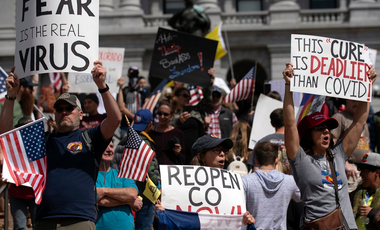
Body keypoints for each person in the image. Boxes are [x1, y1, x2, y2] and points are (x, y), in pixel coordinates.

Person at [0, 60, 121, 230]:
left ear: (80, 115)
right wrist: (11, 95)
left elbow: (115, 119)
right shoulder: (43, 140)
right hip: (44, 221)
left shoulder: (90, 137)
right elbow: (6, 134)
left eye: (69, 108)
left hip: (79, 221)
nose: (64, 111)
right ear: (54, 114)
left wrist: (101, 85)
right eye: (59, 109)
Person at [282, 62, 377, 229]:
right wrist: (289, 85)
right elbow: (290, 124)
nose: (326, 131)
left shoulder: (337, 155)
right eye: (320, 128)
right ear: (308, 135)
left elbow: (359, 122)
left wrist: (366, 85)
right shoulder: (300, 160)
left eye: (328, 128)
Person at [156, 134, 255, 227]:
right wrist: (163, 214)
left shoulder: (232, 185)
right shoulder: (180, 184)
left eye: (224, 151)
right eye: (216, 150)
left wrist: (245, 220)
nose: (222, 154)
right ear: (201, 156)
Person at [242, 141, 301, 230]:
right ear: (277, 160)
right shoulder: (289, 181)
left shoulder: (245, 181)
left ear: (256, 161)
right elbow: (303, 198)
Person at [96, 142, 142, 230]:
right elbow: (101, 201)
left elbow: (132, 194)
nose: (109, 150)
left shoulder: (122, 174)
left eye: (111, 146)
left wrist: (104, 191)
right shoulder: (91, 176)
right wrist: (129, 201)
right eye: (105, 146)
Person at [331, 99, 371, 193]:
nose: (357, 104)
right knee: (348, 198)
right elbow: (332, 144)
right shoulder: (339, 117)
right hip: (349, 168)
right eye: (353, 101)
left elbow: (366, 144)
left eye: (359, 101)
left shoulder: (362, 121)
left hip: (363, 168)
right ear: (347, 101)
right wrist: (345, 164)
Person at [131, 109, 160, 230]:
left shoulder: (125, 140)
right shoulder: (145, 142)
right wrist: (157, 190)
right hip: (146, 193)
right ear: (150, 124)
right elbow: (151, 169)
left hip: (129, 191)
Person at [8, 116, 36, 230]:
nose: (27, 131)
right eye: (24, 128)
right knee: (19, 226)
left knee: (38, 225)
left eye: (30, 128)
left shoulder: (41, 146)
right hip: (16, 193)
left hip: (36, 193)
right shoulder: (12, 146)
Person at [247, 108, 286, 172]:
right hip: (290, 181)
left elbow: (256, 169)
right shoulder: (296, 143)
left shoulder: (262, 142)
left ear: (272, 124)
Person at [149, 99, 186, 165]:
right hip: (155, 171)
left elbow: (183, 158)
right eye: (160, 113)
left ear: (171, 115)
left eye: (165, 114)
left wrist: (178, 152)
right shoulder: (150, 132)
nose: (162, 117)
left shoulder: (177, 132)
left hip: (172, 171)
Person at [351, 152, 380, 230]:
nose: (360, 174)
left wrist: (372, 213)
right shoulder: (356, 193)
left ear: (377, 172)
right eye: (360, 170)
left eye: (364, 170)